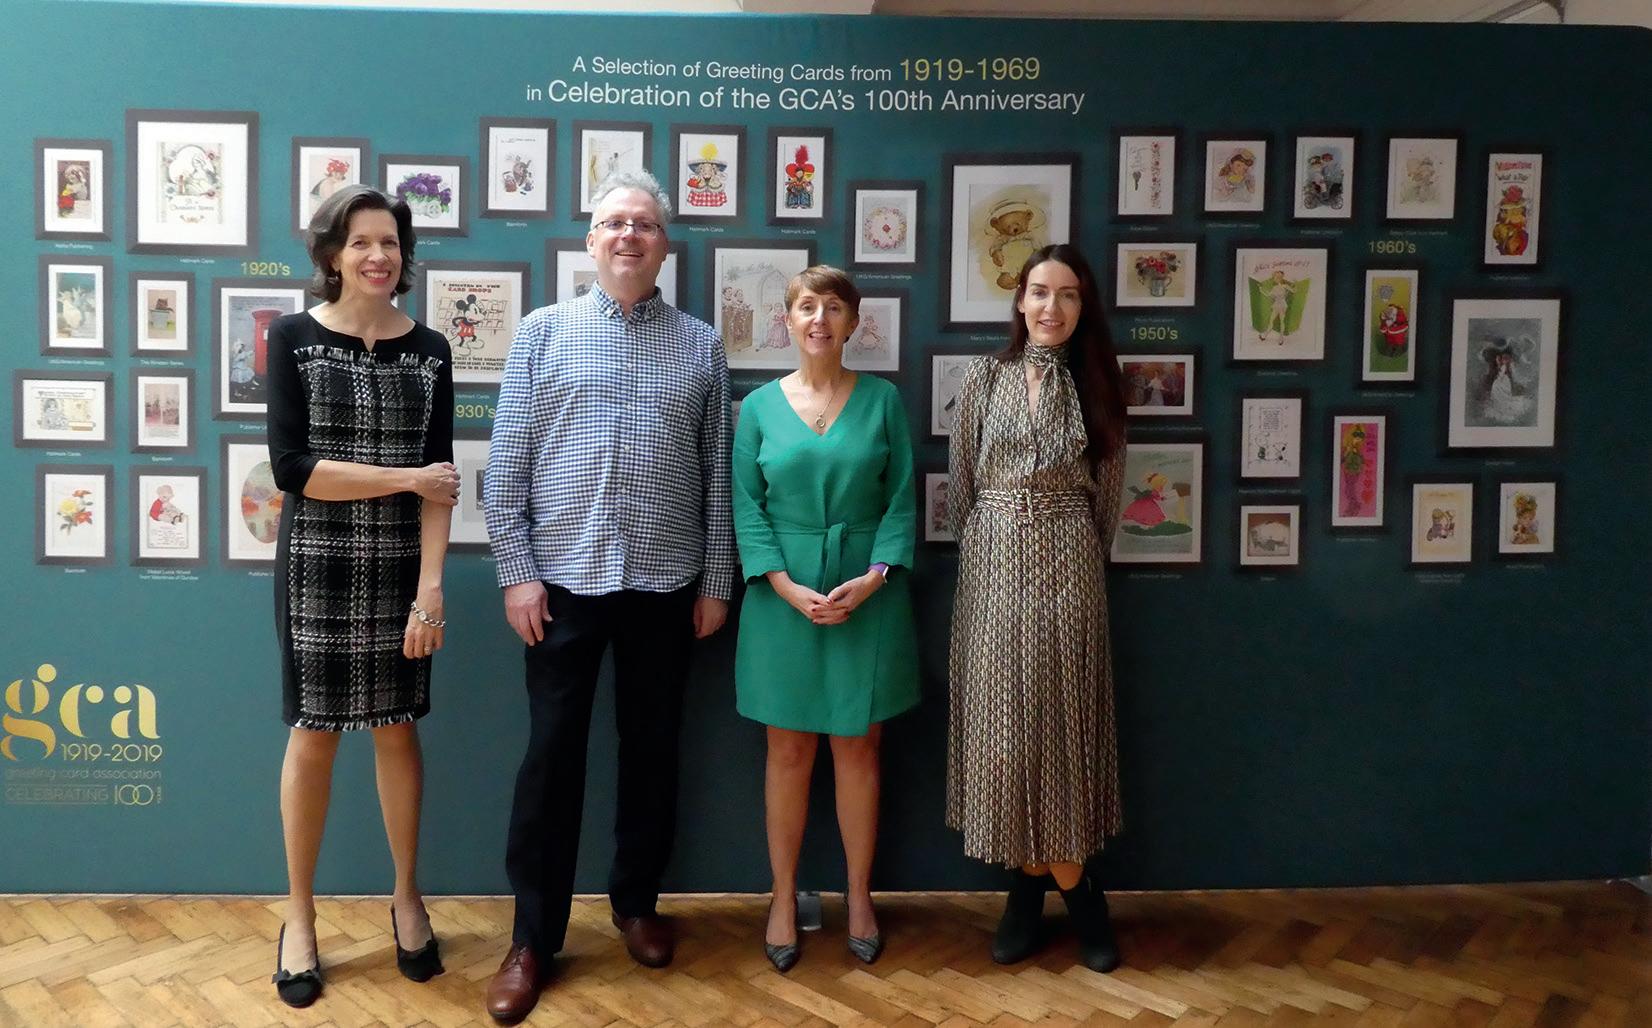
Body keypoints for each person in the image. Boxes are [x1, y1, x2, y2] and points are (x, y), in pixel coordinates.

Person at [482, 169, 733, 1025]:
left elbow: (717, 473)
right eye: (615, 222)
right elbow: (507, 465)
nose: (629, 235)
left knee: (652, 753)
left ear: (665, 247)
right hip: (561, 586)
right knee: (551, 762)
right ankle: (532, 940)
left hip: (667, 584)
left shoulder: (700, 345)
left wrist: (717, 581)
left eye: (645, 224)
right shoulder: (542, 333)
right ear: (591, 242)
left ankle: (637, 903)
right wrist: (517, 571)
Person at [265, 184, 458, 1008]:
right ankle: (300, 917)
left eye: (390, 242)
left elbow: (442, 484)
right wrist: (405, 478)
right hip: (317, 563)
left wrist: (431, 589)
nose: (378, 256)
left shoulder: (432, 350)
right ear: (332, 255)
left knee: (396, 729)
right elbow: (295, 471)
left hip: (402, 569)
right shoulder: (293, 338)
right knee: (313, 736)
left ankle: (407, 898)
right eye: (360, 242)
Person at [946, 243, 1130, 973]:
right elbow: (961, 486)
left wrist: (1066, 547)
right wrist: (991, 544)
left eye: (1068, 295)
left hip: (1069, 563)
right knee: (1007, 730)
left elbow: (1108, 503)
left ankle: (1063, 894)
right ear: (1020, 300)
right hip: (991, 563)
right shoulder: (984, 378)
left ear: (1084, 308)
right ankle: (1041, 887)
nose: (1052, 306)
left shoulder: (1098, 386)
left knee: (1060, 723)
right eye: (1040, 292)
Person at [731, 266, 919, 973]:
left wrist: (873, 579)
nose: (820, 319)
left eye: (834, 307)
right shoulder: (757, 407)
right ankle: (782, 896)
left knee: (859, 748)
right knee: (786, 752)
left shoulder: (883, 400)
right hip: (781, 601)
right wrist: (783, 585)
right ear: (788, 321)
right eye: (807, 307)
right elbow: (745, 506)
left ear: (853, 323)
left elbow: (901, 500)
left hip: (867, 596)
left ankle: (859, 896)